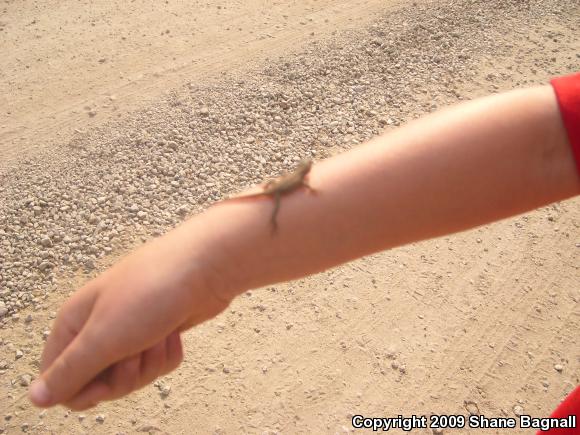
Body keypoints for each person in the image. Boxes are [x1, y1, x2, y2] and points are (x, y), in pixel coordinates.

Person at [28, 73, 580, 430]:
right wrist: (209, 260)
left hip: (278, 199)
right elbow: (550, 143)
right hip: (268, 208)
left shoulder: (301, 182)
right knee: (274, 197)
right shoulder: (299, 183)